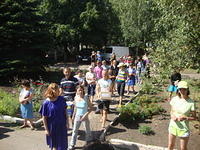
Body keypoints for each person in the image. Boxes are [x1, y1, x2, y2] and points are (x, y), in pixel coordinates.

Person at [168, 81, 196, 150]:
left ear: (187, 89)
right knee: (170, 145)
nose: (182, 91)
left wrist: (186, 117)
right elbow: (171, 111)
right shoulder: (174, 99)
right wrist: (172, 116)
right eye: (180, 89)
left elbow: (194, 118)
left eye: (184, 89)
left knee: (183, 148)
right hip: (173, 126)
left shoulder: (191, 102)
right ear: (178, 90)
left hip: (184, 129)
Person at [40, 83, 68, 150]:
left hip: (62, 125)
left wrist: (67, 122)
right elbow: (44, 117)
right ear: (51, 91)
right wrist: (46, 129)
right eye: (56, 90)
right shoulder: (46, 103)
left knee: (63, 144)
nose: (58, 91)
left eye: (58, 89)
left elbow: (65, 111)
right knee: (54, 145)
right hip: (52, 127)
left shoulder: (62, 99)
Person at [69, 85, 92, 150]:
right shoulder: (75, 97)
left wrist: (86, 115)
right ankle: (72, 144)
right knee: (74, 131)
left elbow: (91, 108)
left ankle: (89, 144)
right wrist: (73, 116)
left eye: (81, 90)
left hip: (85, 117)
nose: (80, 91)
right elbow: (75, 108)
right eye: (79, 90)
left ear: (83, 90)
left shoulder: (86, 97)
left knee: (87, 131)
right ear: (77, 91)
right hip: (77, 116)